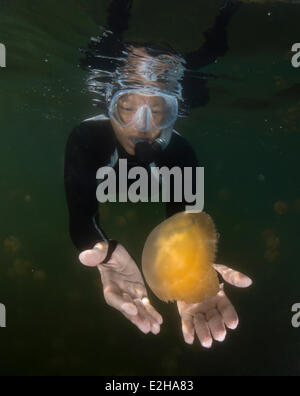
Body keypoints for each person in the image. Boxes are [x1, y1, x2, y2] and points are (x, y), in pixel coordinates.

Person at [64, 0, 252, 348]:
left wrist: (193, 280)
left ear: (173, 111)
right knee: (113, 27)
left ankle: (228, 10)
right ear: (109, 104)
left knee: (217, 44)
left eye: (158, 110)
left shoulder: (181, 154)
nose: (143, 126)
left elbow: (186, 225)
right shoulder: (87, 139)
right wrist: (100, 252)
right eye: (128, 107)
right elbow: (81, 215)